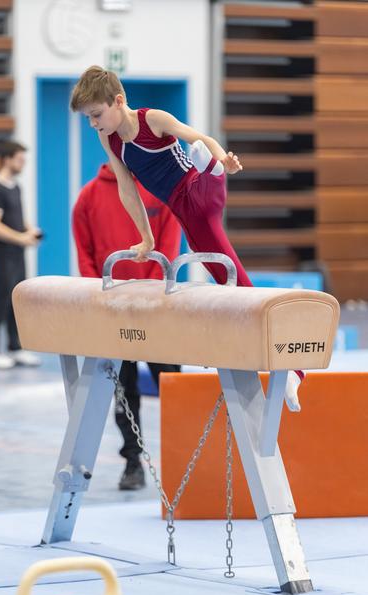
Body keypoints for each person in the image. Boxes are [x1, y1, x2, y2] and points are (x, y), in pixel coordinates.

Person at [69, 66, 304, 412]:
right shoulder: (111, 139)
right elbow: (127, 188)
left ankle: (213, 170)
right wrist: (146, 239)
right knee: (229, 277)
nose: (93, 123)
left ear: (118, 101)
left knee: (203, 177)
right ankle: (288, 366)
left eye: (96, 115)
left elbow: (202, 137)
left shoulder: (153, 120)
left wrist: (222, 157)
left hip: (195, 191)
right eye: (88, 118)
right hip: (183, 211)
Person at [72, 162, 181, 490]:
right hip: (112, 310)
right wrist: (104, 295)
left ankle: (185, 458)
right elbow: (85, 253)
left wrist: (146, 294)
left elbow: (169, 245)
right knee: (124, 390)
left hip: (156, 307)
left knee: (173, 388)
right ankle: (133, 462)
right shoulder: (89, 196)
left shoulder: (159, 190)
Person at [0, 141, 41, 370]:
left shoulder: (15, 187)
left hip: (17, 253)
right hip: (2, 253)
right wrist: (20, 238)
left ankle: (15, 347)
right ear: (7, 159)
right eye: (19, 159)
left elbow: (16, 218)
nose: (23, 163)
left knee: (17, 300)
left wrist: (29, 230)